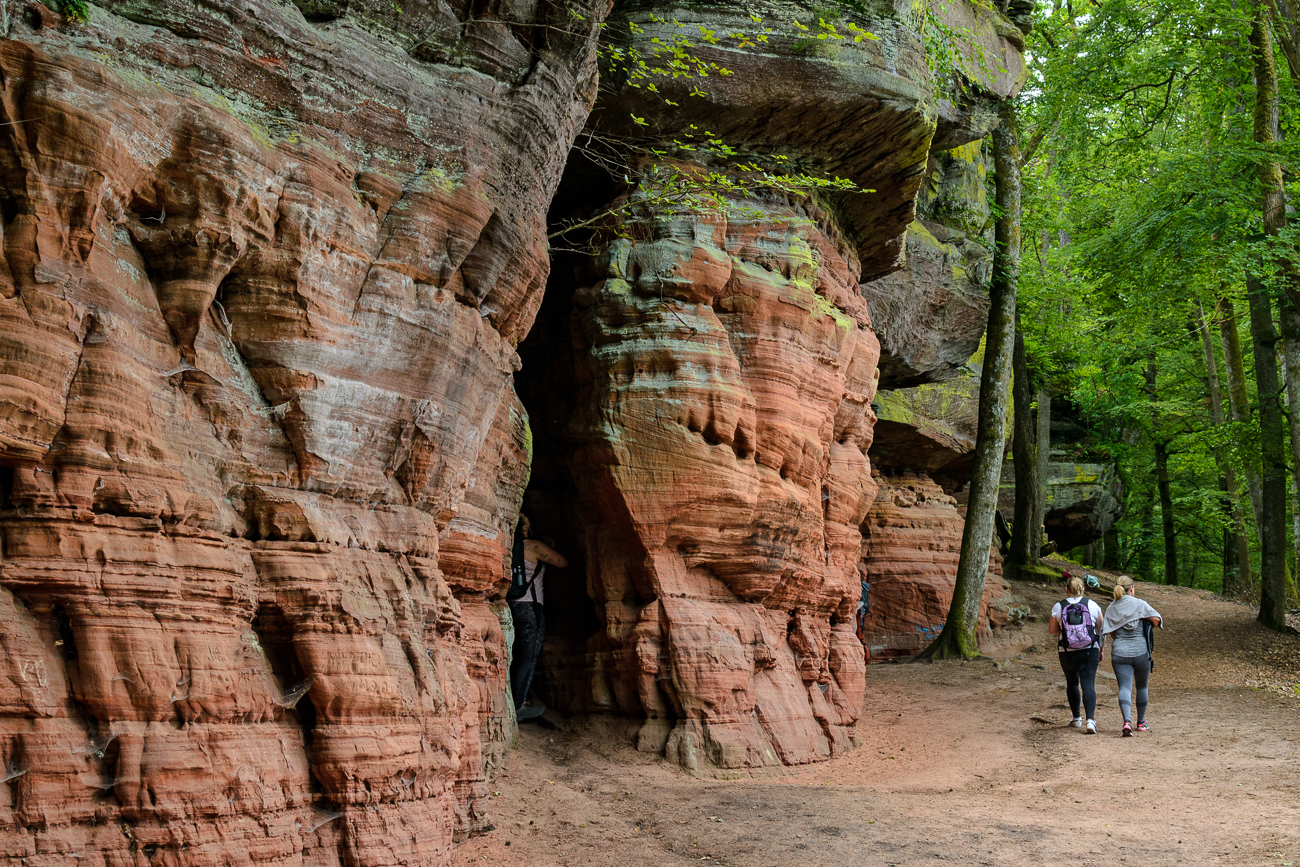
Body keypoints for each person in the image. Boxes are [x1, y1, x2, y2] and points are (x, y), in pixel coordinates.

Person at [507, 514, 568, 721]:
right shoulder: (533, 546)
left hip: (511, 605)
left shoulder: (507, 545)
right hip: (531, 607)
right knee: (529, 655)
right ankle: (519, 705)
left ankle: (515, 700)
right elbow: (562, 562)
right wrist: (551, 546)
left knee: (516, 652)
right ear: (526, 525)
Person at [1101, 575, 1162, 737]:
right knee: (1142, 686)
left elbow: (1111, 633)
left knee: (1125, 687)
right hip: (1141, 652)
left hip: (1120, 653)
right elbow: (1156, 620)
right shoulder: (1140, 604)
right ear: (1132, 589)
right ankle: (1141, 722)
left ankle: (1126, 721)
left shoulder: (1112, 607)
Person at [1049, 574, 1104, 734]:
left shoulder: (1058, 607)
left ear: (1067, 590)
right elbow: (1100, 630)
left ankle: (1076, 718)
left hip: (1066, 651)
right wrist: (1101, 650)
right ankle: (1091, 721)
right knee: (1088, 684)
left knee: (1072, 683)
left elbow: (1053, 631)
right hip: (1089, 650)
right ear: (1083, 589)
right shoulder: (1092, 605)